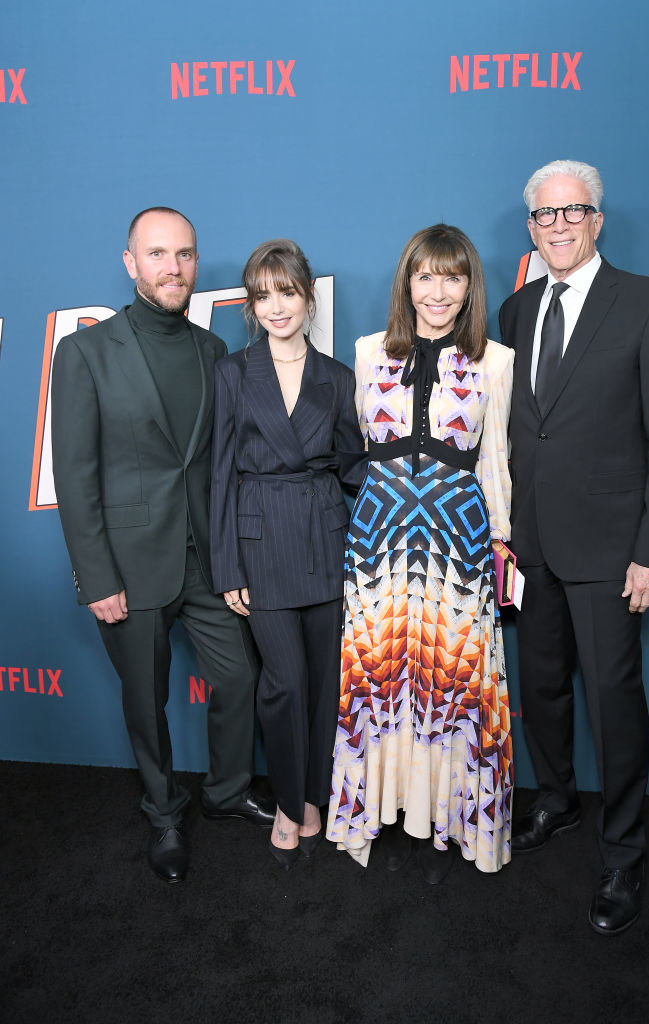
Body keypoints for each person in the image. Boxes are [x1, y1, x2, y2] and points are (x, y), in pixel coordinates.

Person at [51, 207, 274, 885]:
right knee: (145, 701)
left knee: (238, 677)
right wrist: (97, 578)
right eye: (157, 254)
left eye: (183, 255)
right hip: (129, 565)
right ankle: (164, 812)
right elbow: (76, 475)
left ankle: (227, 791)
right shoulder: (87, 351)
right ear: (130, 263)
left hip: (205, 560)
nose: (172, 267)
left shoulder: (211, 352)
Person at [499, 160, 649, 934]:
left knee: (612, 703)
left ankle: (622, 852)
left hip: (614, 551)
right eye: (545, 216)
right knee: (541, 689)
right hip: (531, 545)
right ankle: (555, 801)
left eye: (573, 211)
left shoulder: (648, 303)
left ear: (598, 219)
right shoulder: (512, 312)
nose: (559, 226)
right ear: (530, 228)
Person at [326, 224, 514, 883]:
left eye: (452, 277)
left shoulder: (495, 359)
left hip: (457, 540)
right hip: (378, 540)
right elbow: (352, 452)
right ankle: (374, 812)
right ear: (406, 283)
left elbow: (494, 463)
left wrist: (500, 545)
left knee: (455, 679)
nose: (437, 291)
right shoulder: (366, 353)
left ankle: (455, 818)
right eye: (425, 276)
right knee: (377, 680)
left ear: (469, 286)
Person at [210, 239, 367, 870]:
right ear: (251, 304)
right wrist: (227, 567)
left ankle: (320, 796)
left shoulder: (338, 376)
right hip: (259, 542)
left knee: (326, 682)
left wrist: (376, 546)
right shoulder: (232, 372)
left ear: (308, 296)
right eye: (263, 295)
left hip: (326, 539)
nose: (277, 306)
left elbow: (355, 469)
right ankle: (287, 801)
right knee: (284, 683)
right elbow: (220, 475)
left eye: (288, 292)